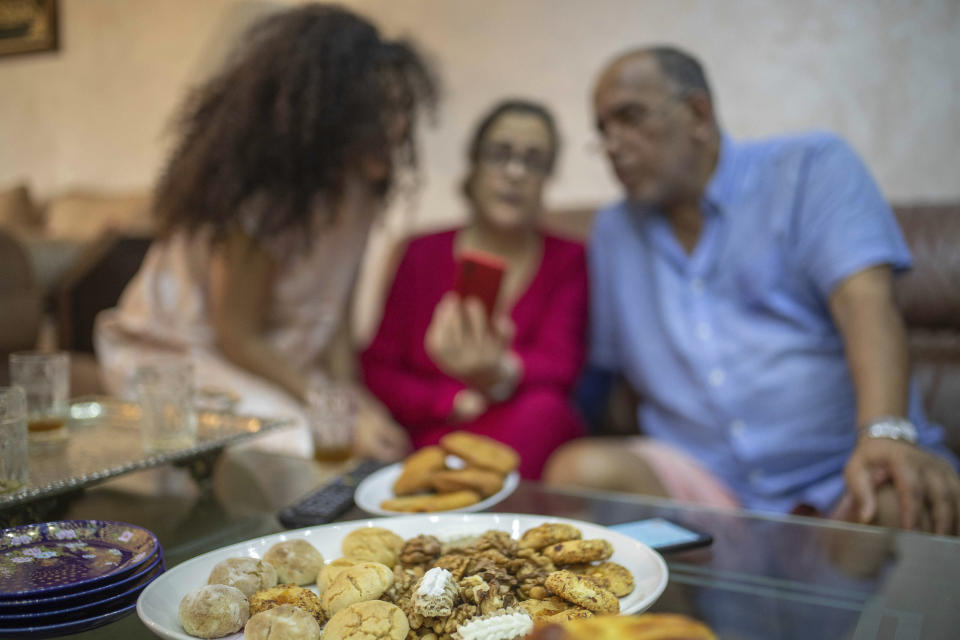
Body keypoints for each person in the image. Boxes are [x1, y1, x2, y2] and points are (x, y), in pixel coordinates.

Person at [544, 46, 960, 534]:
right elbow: (604, 375)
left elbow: (865, 303)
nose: (613, 145)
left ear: (698, 113)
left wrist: (885, 433)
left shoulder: (809, 168)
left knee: (895, 500)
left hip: (837, 472)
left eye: (630, 118)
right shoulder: (614, 233)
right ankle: (668, 616)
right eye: (603, 131)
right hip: (705, 486)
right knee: (579, 472)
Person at [95, 4, 437, 461]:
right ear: (330, 112)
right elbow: (237, 336)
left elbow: (335, 323)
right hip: (179, 358)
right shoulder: (260, 193)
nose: (395, 129)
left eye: (401, 110)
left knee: (355, 439)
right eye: (378, 112)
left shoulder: (363, 189)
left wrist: (348, 401)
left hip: (276, 362)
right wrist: (329, 411)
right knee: (307, 446)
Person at [360, 99, 587, 478]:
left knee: (545, 411)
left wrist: (499, 372)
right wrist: (448, 401)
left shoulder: (570, 258)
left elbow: (562, 364)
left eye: (533, 161)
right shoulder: (419, 252)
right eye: (500, 154)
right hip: (430, 435)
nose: (515, 172)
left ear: (547, 177)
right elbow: (377, 368)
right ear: (474, 164)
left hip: (519, 431)